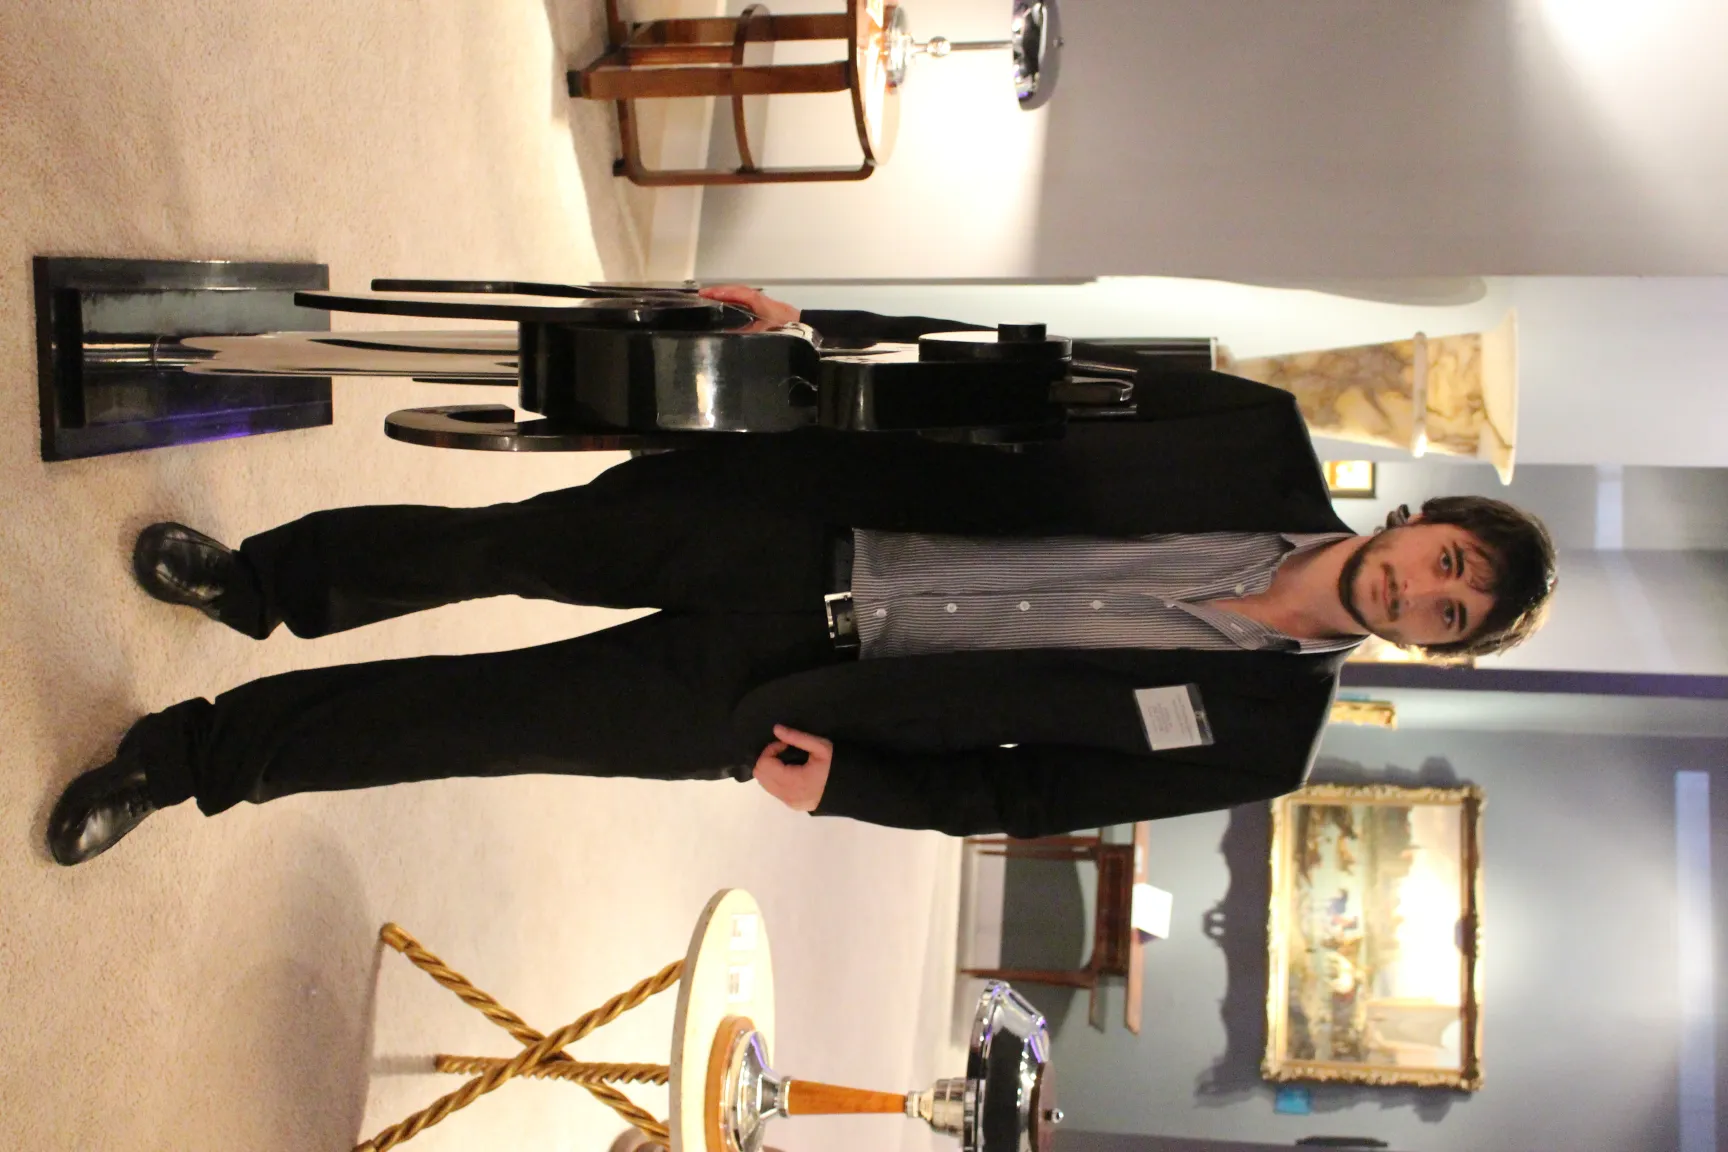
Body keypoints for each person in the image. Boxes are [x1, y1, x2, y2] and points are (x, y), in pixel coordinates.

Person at [46, 287, 1557, 865]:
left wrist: (846, 788)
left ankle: (186, 761)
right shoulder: (1248, 431)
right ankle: (258, 583)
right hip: (795, 514)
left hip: (789, 691)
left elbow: (1026, 797)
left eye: (1445, 616)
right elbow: (1012, 377)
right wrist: (814, 340)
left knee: (468, 721)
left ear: (1431, 645)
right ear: (1425, 521)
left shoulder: (1263, 743)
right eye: (1445, 562)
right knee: (485, 547)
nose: (1421, 591)